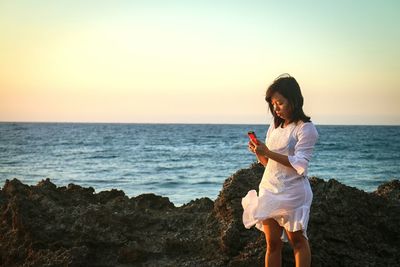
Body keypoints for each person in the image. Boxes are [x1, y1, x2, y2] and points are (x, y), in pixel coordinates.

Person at [242, 74, 319, 267]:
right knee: (272, 243)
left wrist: (268, 151)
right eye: (273, 104)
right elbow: (269, 164)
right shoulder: (275, 127)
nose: (276, 108)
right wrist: (259, 153)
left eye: (280, 103)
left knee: (298, 241)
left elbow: (300, 164)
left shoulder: (305, 129)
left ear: (294, 100)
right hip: (270, 188)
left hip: (293, 192)